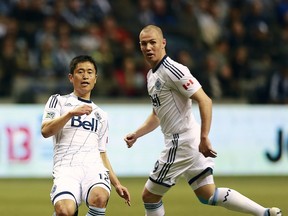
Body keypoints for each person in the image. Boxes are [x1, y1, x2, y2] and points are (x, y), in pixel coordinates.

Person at [124, 25, 281, 216]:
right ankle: (265, 213)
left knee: (149, 196)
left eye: (152, 42)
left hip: (181, 142)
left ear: (163, 43)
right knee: (208, 194)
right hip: (189, 141)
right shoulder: (151, 75)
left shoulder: (173, 70)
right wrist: (137, 134)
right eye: (143, 44)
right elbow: (157, 115)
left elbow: (205, 100)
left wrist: (204, 136)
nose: (148, 47)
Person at [41, 55, 131, 216]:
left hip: (93, 167)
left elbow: (102, 153)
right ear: (71, 77)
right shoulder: (58, 101)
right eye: (80, 72)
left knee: (100, 197)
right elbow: (46, 131)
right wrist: (70, 114)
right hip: (66, 168)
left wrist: (116, 184)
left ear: (95, 79)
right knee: (64, 210)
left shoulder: (101, 115)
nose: (85, 76)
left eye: (90, 72)